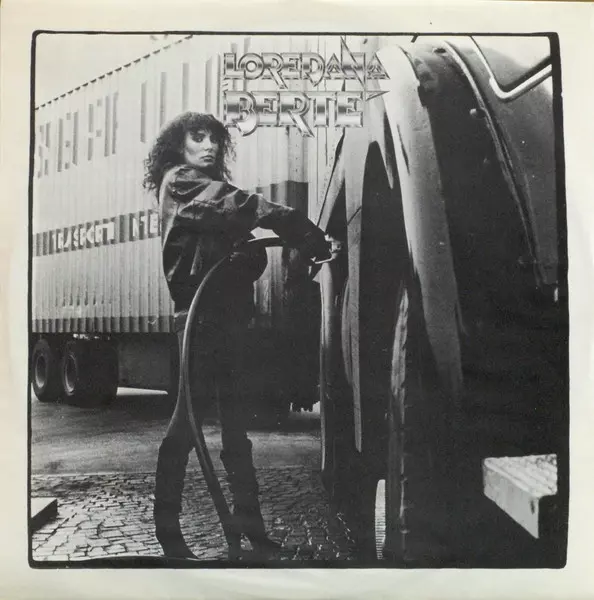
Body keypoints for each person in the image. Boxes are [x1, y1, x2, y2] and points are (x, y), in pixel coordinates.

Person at [143, 112, 331, 559]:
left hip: (226, 319)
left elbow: (247, 256)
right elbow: (243, 207)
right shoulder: (182, 182)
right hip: (199, 319)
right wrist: (298, 226)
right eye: (198, 137)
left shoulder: (207, 193)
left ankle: (253, 533)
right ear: (178, 146)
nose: (209, 145)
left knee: (235, 430)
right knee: (186, 425)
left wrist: (249, 259)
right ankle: (168, 534)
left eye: (215, 138)